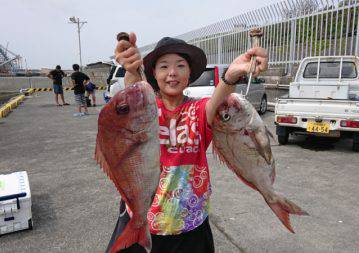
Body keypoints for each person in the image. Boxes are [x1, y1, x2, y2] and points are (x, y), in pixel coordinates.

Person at [107, 33, 268, 253]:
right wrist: (132, 69)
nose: (172, 73)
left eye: (180, 66)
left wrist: (231, 76)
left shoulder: (199, 109)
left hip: (191, 225)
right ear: (153, 73)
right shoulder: (146, 109)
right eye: (163, 66)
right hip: (144, 223)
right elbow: (132, 100)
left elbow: (216, 101)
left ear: (190, 72)